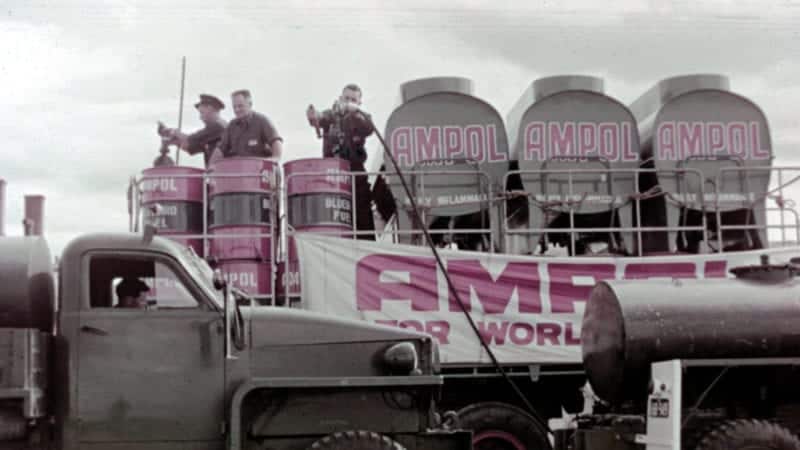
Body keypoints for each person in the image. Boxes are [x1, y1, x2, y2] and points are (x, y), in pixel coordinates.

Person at [306, 83, 376, 240]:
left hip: (356, 175)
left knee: (364, 221)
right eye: (347, 98)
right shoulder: (331, 115)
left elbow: (369, 127)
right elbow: (320, 117)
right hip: (332, 179)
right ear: (340, 98)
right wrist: (313, 116)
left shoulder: (362, 117)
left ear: (359, 103)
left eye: (353, 99)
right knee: (332, 221)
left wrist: (355, 112)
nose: (349, 101)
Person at [163, 94, 228, 166]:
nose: (200, 118)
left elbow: (191, 139)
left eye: (201, 113)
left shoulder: (218, 126)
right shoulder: (213, 132)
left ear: (210, 108)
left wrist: (173, 132)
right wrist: (175, 142)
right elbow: (190, 147)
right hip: (218, 173)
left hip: (222, 172)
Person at [218, 89, 283, 160]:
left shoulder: (262, 121)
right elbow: (220, 150)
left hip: (260, 168)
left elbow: (276, 142)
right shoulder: (231, 126)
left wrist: (274, 159)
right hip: (239, 168)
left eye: (240, 106)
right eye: (234, 107)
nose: (237, 110)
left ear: (250, 104)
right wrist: (211, 167)